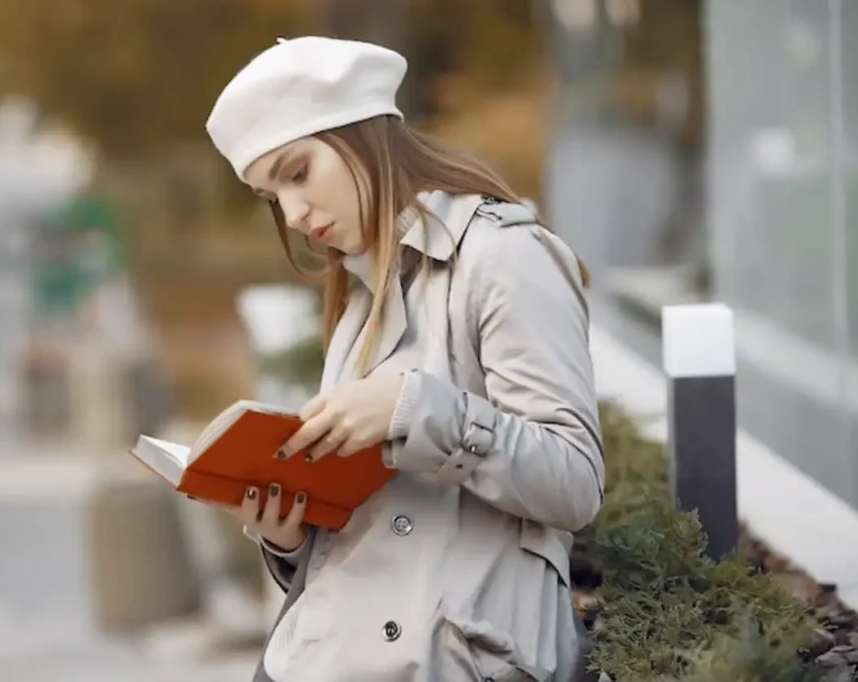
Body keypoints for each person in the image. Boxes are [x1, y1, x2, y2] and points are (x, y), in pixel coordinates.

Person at [204, 36, 605, 682]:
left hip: (451, 661)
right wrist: (285, 536)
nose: (295, 213)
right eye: (270, 196)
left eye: (298, 172)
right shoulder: (360, 301)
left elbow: (575, 482)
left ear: (362, 133)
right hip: (310, 662)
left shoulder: (504, 258)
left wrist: (414, 408)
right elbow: (369, 536)